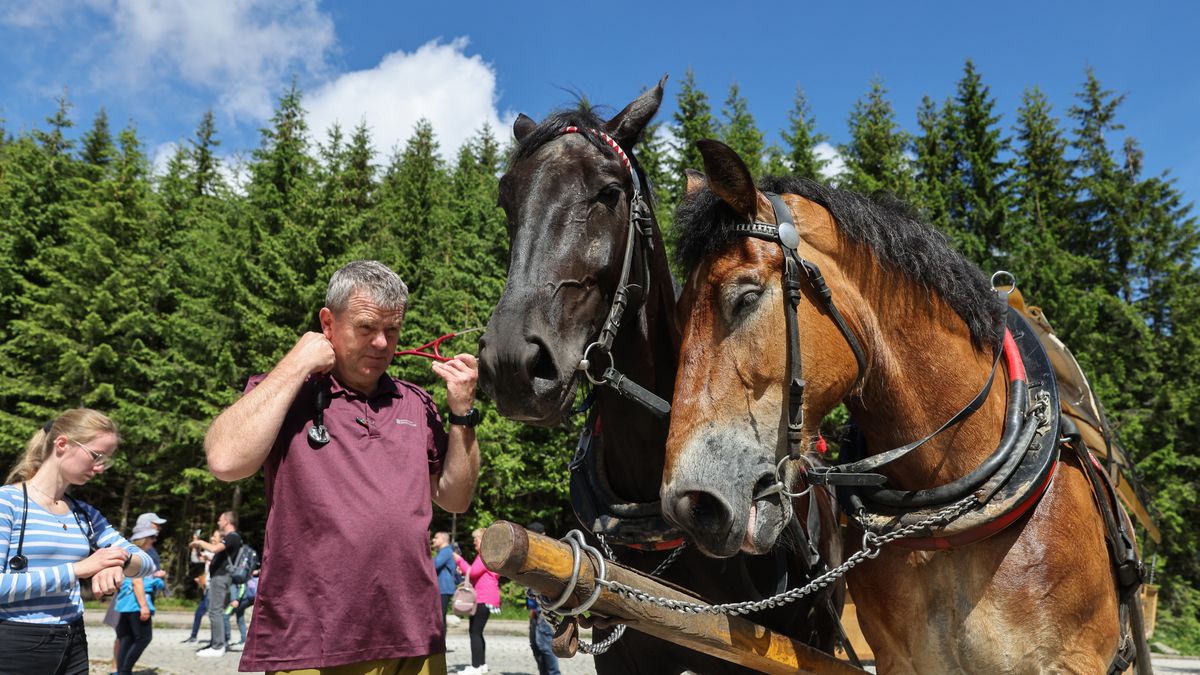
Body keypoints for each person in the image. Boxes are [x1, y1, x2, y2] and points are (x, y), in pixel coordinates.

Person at [204, 260, 482, 674]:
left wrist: (462, 412)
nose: (381, 343)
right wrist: (297, 363)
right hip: (311, 638)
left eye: (392, 330)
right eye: (366, 328)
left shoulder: (415, 403)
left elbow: (456, 498)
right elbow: (225, 460)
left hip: (414, 631)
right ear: (328, 323)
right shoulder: (287, 392)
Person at [0, 409, 156, 675]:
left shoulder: (84, 514)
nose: (99, 468)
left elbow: (146, 563)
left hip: (73, 641)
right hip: (16, 645)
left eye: (105, 460)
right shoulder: (7, 503)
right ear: (62, 444)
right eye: (96, 456)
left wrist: (117, 561)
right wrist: (79, 569)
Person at [113, 527, 166, 675]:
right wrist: (144, 606)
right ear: (144, 539)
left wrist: (155, 577)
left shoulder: (128, 554)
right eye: (152, 537)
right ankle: (124, 671)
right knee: (144, 638)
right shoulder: (138, 556)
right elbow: (137, 582)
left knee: (127, 638)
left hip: (125, 604)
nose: (155, 540)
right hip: (136, 604)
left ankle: (122, 672)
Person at [188, 511, 241, 657]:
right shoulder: (231, 538)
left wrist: (199, 542)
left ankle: (218, 646)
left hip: (221, 577)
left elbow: (214, 548)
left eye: (220, 520)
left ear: (227, 521)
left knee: (215, 611)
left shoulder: (233, 537)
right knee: (213, 610)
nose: (218, 522)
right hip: (219, 577)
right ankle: (216, 643)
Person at [455, 529, 501, 675]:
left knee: (474, 632)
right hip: (486, 598)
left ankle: (475, 667)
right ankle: (481, 665)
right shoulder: (486, 556)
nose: (474, 542)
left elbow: (473, 572)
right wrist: (464, 570)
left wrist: (458, 560)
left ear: (485, 540)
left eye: (477, 539)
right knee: (478, 633)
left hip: (483, 598)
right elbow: (473, 573)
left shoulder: (484, 556)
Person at [524, 522, 560, 675]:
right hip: (536, 607)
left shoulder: (548, 555)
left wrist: (537, 607)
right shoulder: (532, 554)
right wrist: (532, 607)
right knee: (535, 645)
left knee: (544, 644)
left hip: (545, 607)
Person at [182, 529, 220, 644]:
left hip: (215, 588)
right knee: (201, 612)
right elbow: (195, 558)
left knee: (213, 614)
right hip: (208, 587)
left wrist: (198, 542)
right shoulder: (210, 553)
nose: (212, 538)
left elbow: (208, 556)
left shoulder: (218, 552)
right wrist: (195, 546)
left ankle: (217, 640)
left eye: (215, 536)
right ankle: (194, 637)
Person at [431, 531, 457, 627]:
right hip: (442, 589)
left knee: (440, 617)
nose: (433, 540)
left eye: (436, 537)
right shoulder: (443, 552)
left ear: (443, 539)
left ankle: (441, 640)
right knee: (439, 617)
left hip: (444, 588)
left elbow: (434, 565)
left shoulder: (446, 551)